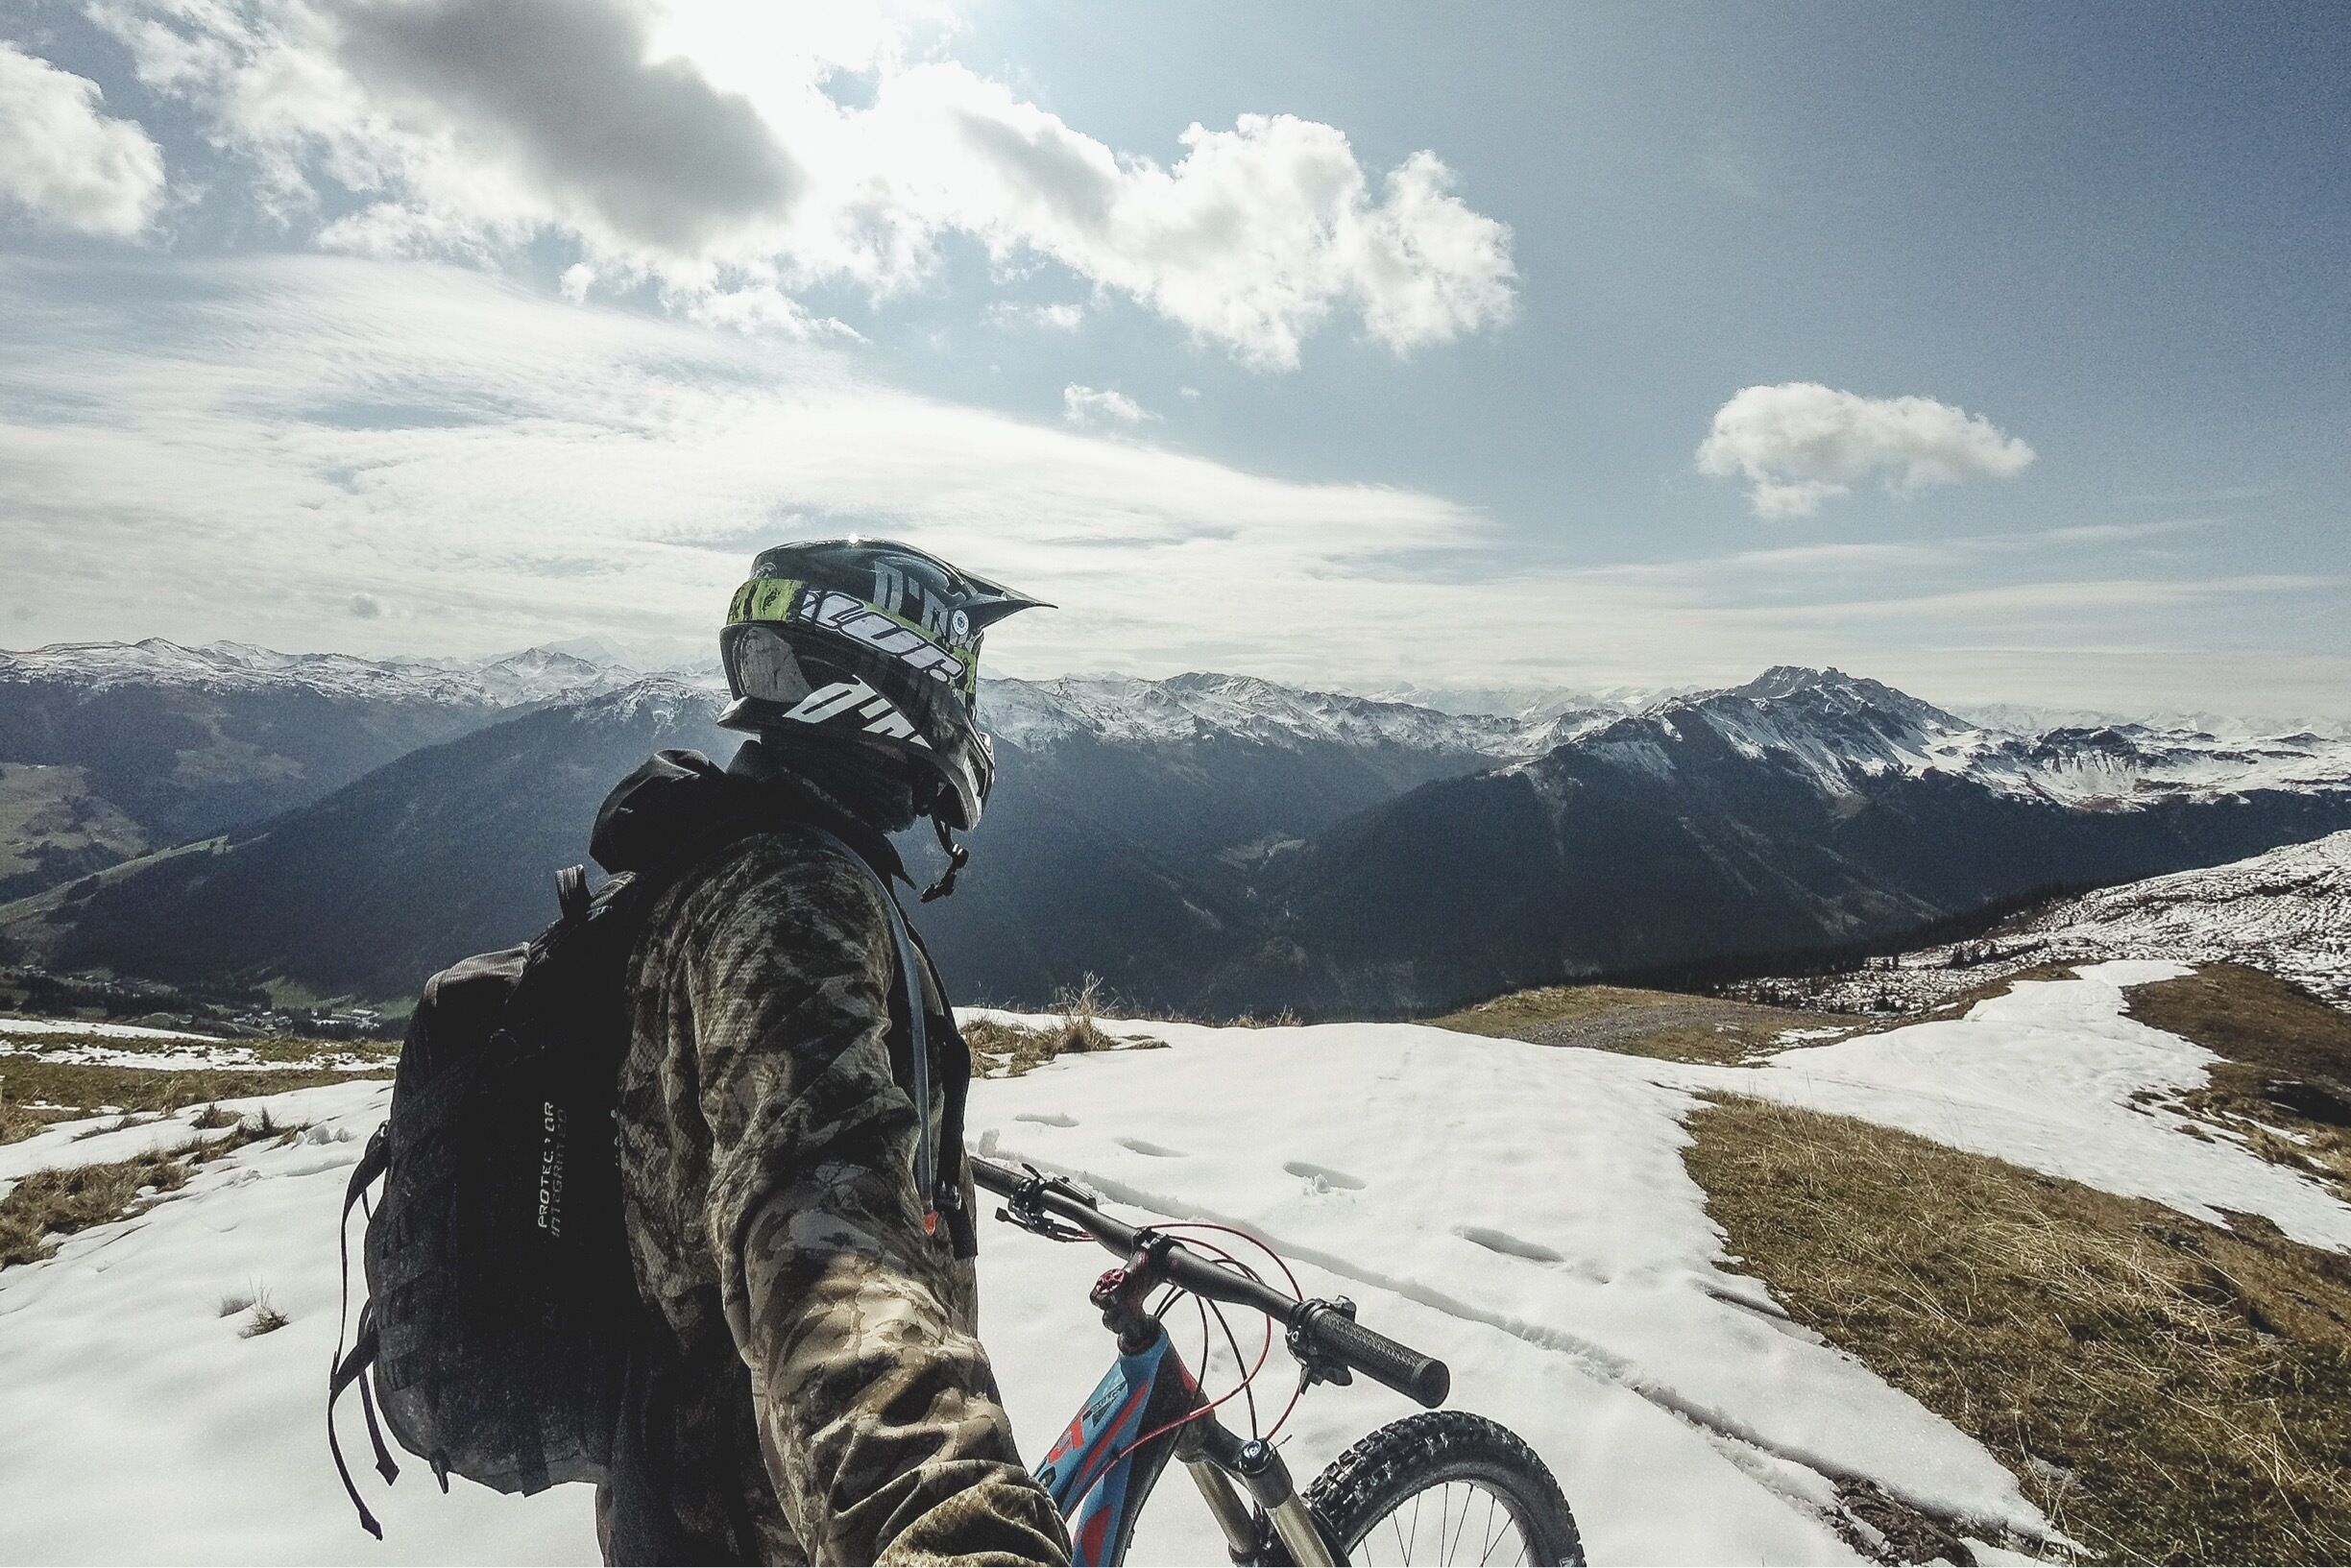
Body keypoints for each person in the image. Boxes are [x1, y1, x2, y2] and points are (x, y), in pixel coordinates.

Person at [585, 540, 1071, 1565]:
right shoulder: (792, 903)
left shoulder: (726, 856)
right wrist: (952, 1525)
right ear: (897, 681)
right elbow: (820, 1241)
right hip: (776, 1518)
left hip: (694, 1482)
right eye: (960, 685)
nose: (967, 718)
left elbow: (764, 1128)